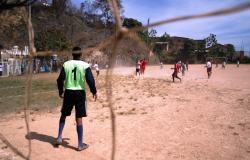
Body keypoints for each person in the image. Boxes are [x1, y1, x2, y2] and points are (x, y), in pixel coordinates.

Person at [56, 46, 97, 151]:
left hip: (69, 92)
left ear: (72, 54)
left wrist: (61, 91)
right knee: (79, 117)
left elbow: (60, 79)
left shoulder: (66, 64)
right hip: (79, 93)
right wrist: (94, 91)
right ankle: (80, 145)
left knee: (63, 114)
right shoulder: (84, 65)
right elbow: (90, 80)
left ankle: (59, 137)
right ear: (81, 54)